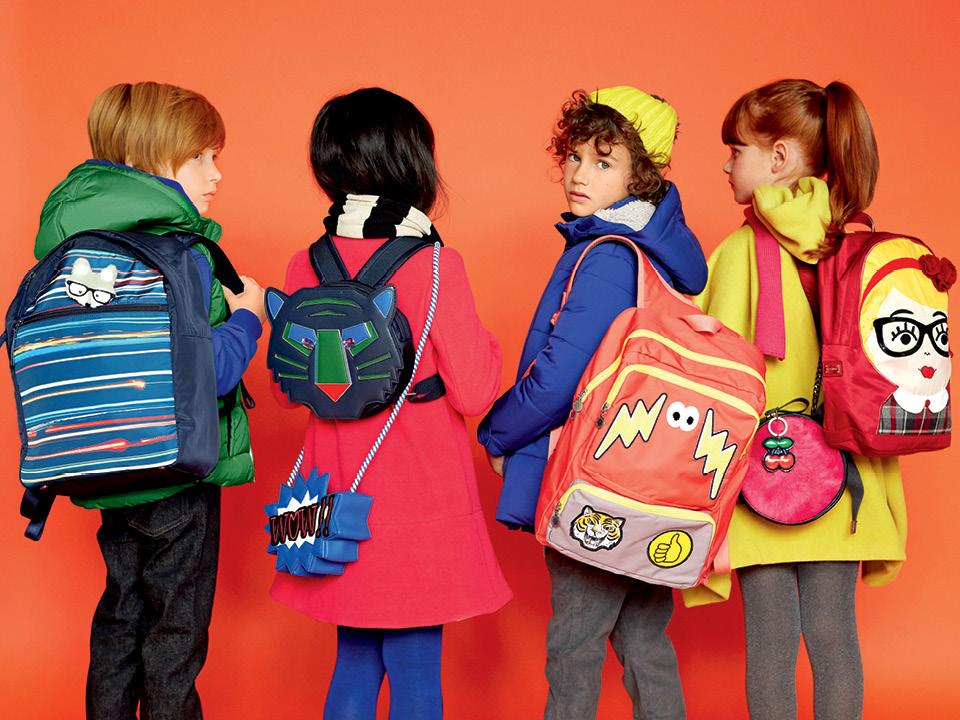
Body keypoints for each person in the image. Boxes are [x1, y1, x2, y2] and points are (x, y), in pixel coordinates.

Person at [268, 86, 511, 720]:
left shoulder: (305, 263)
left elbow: (285, 390)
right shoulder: (435, 263)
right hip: (419, 495)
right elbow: (475, 390)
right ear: (412, 163)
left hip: (333, 491)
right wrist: (489, 343)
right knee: (415, 667)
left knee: (353, 658)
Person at [33, 81, 265, 720]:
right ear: (151, 160)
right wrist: (247, 318)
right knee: (175, 634)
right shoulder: (180, 255)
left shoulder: (74, 252)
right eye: (201, 158)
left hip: (103, 467)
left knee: (120, 616)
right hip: (177, 474)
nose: (216, 175)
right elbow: (208, 373)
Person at [478, 86, 707, 720]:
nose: (580, 175)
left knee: (574, 647)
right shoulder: (657, 255)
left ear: (642, 175)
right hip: (649, 480)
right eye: (575, 157)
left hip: (594, 481)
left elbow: (559, 378)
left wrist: (498, 433)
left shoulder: (608, 255)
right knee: (645, 643)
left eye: (604, 162)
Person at [683, 79, 908, 720]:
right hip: (846, 475)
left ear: (778, 158)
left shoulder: (736, 253)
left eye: (736, 150)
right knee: (835, 641)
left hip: (762, 476)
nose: (726, 164)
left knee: (771, 647)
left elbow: (710, 375)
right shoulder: (855, 244)